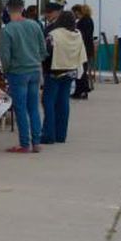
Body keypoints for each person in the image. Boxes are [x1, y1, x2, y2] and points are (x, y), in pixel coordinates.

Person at [0, 0, 45, 153]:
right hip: (34, 70)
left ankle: (24, 143)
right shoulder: (35, 25)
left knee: (20, 108)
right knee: (33, 107)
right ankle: (36, 142)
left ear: (7, 10)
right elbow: (43, 49)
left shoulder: (7, 30)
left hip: (18, 72)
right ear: (23, 8)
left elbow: (5, 55)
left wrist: (7, 70)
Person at [40, 11, 86, 144]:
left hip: (54, 72)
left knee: (48, 102)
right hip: (70, 71)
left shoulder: (53, 35)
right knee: (63, 102)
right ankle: (61, 135)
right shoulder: (77, 34)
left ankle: (48, 134)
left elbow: (44, 52)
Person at [72, 3, 97, 99]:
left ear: (77, 12)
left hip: (83, 48)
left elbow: (82, 35)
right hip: (88, 48)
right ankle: (83, 90)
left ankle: (81, 90)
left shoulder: (83, 21)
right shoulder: (88, 20)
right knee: (82, 70)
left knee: (80, 70)